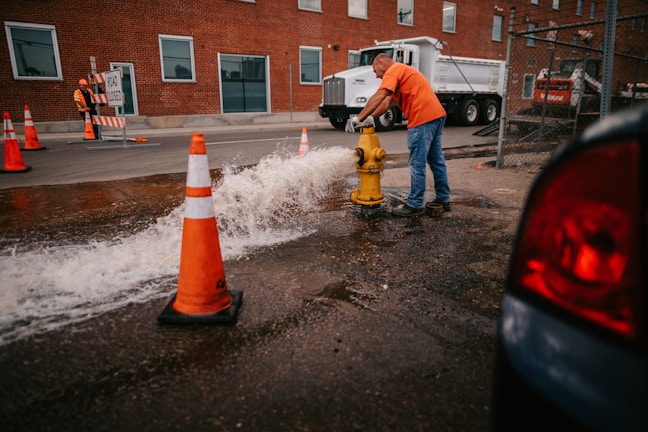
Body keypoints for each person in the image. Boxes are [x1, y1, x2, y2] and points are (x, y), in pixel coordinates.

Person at [345, 53, 450, 217]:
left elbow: (380, 94)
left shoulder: (393, 70)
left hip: (421, 119)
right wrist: (372, 118)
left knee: (417, 163)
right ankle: (443, 199)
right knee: (436, 160)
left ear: (382, 63)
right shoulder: (403, 72)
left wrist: (359, 118)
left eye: (375, 70)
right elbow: (387, 102)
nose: (376, 75)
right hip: (436, 116)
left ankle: (414, 204)